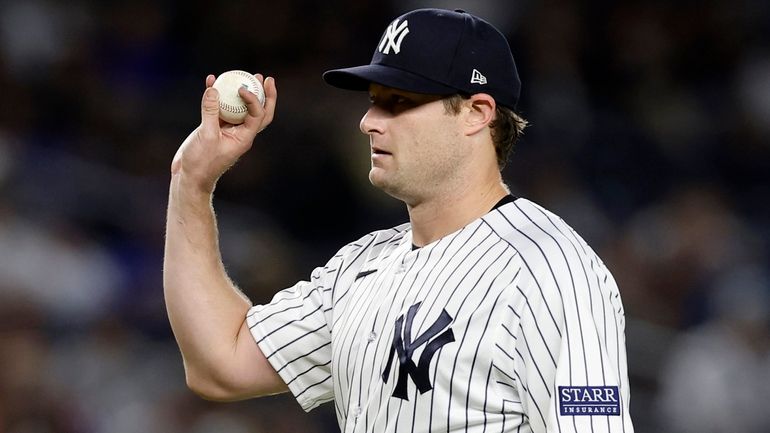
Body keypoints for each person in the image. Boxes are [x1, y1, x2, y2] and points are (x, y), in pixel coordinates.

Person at [164, 8, 634, 433]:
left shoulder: (550, 271)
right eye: (372, 100)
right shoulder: (362, 265)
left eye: (398, 101)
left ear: (476, 113)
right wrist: (191, 181)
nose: (369, 121)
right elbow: (220, 364)